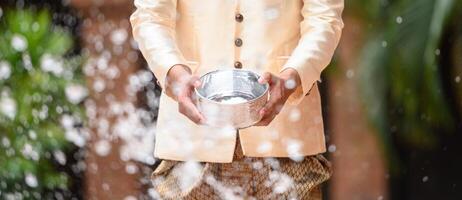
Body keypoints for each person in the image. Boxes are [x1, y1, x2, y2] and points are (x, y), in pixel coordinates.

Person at [131, 0, 343, 199]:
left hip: (287, 142)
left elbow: (324, 18)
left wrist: (291, 77)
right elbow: (150, 17)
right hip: (192, 145)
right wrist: (175, 73)